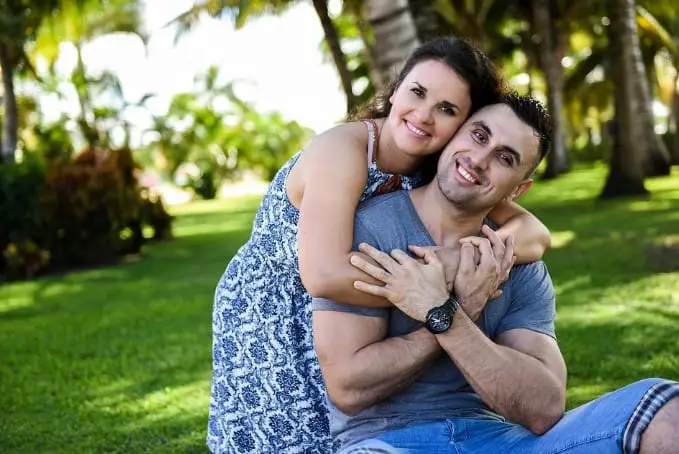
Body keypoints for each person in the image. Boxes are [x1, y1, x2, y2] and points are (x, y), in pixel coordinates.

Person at [208, 37, 552, 453]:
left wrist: (455, 257)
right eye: (418, 93)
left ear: (461, 126)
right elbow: (323, 274)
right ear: (394, 90)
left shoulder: (437, 168)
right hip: (272, 313)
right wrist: (441, 275)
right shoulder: (345, 149)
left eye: (446, 110)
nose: (424, 116)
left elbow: (534, 233)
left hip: (342, 314)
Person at [312, 93, 679, 453]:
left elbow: (544, 407)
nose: (480, 159)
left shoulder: (515, 260)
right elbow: (348, 388)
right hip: (387, 442)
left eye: (504, 157)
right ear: (452, 135)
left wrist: (448, 316)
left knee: (667, 411)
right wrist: (457, 307)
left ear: (518, 189)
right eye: (479, 135)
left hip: (498, 440)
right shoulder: (372, 230)